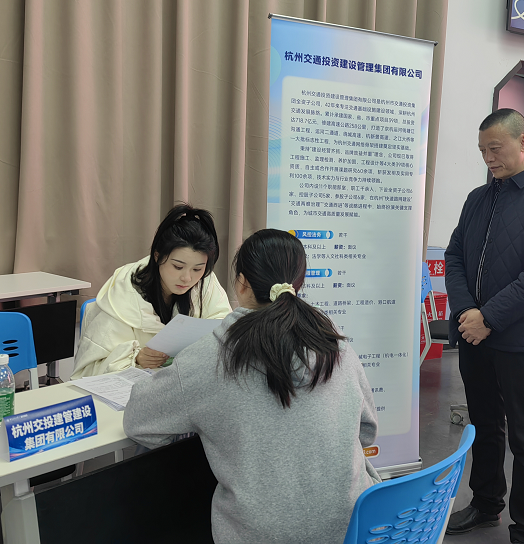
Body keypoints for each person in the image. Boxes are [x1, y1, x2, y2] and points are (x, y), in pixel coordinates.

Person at [123, 228, 381, 544]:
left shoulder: (210, 356)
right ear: (298, 284)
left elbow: (138, 421)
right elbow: (367, 430)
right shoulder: (334, 344)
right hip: (353, 528)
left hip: (258, 535)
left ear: (242, 283)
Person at [444, 109, 524, 543]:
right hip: (475, 336)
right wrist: (467, 312)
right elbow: (454, 257)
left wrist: (489, 318)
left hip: (523, 340)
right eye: (482, 150)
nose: (488, 158)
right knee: (484, 426)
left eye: (495, 149)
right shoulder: (477, 199)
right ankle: (485, 504)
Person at [71, 204, 232, 379]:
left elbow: (225, 332)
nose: (187, 278)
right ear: (157, 256)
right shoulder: (124, 293)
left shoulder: (205, 283)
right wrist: (135, 358)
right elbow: (89, 369)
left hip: (182, 383)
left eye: (197, 269)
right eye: (178, 267)